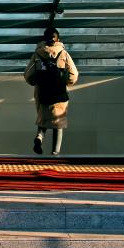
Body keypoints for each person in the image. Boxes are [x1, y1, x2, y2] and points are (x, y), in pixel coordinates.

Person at [24, 27, 79, 156]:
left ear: (44, 39)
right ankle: (55, 152)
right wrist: (65, 81)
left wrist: (37, 81)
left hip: (42, 91)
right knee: (58, 122)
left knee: (44, 118)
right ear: (58, 39)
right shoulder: (63, 53)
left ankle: (39, 137)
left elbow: (28, 75)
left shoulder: (37, 54)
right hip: (59, 92)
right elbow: (74, 75)